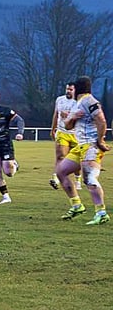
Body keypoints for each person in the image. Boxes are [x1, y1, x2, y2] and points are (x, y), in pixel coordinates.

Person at [56, 76, 109, 224]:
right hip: (80, 147)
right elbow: (68, 126)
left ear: (78, 88)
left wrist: (99, 140)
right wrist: (71, 117)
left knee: (90, 179)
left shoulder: (89, 100)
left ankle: (101, 212)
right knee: (61, 171)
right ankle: (77, 205)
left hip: (91, 146)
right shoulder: (77, 104)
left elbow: (101, 120)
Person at [50, 82, 81, 190]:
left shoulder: (79, 102)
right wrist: (53, 128)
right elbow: (56, 114)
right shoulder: (60, 99)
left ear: (75, 90)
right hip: (62, 132)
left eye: (71, 89)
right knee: (61, 156)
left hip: (75, 134)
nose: (68, 91)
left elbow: (81, 118)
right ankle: (56, 178)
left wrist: (69, 116)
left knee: (77, 160)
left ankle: (78, 180)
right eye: (67, 89)